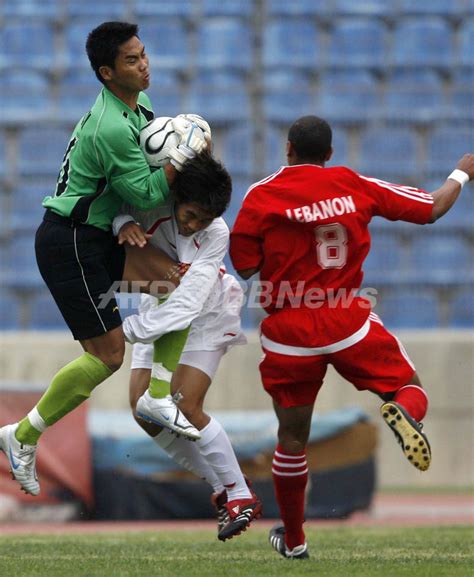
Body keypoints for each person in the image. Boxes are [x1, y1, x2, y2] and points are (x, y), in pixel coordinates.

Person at [229, 115, 474, 559]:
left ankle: (296, 540)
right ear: (329, 154)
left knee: (291, 440)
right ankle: (400, 410)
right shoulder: (352, 183)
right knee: (409, 387)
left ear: (288, 149)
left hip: (289, 332)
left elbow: (244, 266)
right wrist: (462, 171)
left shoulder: (261, 195)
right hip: (345, 319)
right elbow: (433, 208)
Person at [0, 22, 207, 497]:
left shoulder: (141, 108)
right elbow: (152, 190)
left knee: (181, 284)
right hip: (69, 242)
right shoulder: (110, 127)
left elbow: (133, 195)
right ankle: (22, 435)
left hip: (97, 235)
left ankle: (157, 397)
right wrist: (187, 151)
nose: (145, 64)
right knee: (109, 356)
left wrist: (120, 221)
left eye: (144, 54)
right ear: (107, 72)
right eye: (132, 61)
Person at [115, 151, 262, 541]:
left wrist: (128, 330)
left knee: (183, 405)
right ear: (178, 196)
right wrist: (122, 222)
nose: (195, 224)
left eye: (204, 219)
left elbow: (187, 303)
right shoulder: (151, 205)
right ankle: (224, 483)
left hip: (206, 310)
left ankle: (240, 495)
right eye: (191, 215)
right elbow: (114, 206)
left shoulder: (217, 234)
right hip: (159, 300)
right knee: (143, 412)